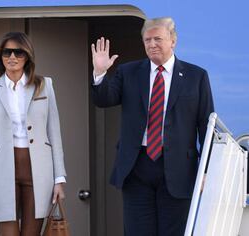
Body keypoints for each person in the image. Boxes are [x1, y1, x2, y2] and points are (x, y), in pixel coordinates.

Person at [91, 17, 214, 235]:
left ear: (173, 41)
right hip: (137, 166)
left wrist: (206, 170)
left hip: (179, 169)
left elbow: (205, 125)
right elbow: (104, 100)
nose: (152, 44)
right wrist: (100, 73)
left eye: (158, 38)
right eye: (147, 40)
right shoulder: (128, 72)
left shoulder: (196, 76)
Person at [0, 32, 66, 236]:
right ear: (0, 56)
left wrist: (59, 178)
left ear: (27, 57)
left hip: (39, 171)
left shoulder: (44, 85)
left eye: (19, 52)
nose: (12, 57)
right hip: (2, 170)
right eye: (7, 52)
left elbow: (54, 133)